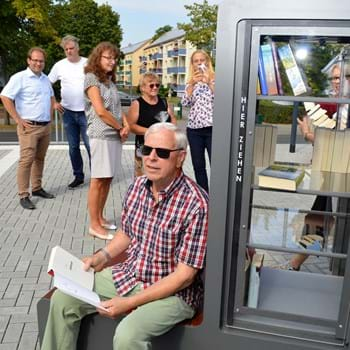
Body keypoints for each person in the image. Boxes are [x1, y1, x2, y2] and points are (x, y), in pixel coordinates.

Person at [41, 122, 209, 350]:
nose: (151, 158)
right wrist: (100, 257)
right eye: (146, 150)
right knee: (63, 299)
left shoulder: (197, 204)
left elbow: (184, 277)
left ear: (180, 158)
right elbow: (127, 233)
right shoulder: (138, 186)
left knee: (128, 335)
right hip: (132, 275)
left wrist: (129, 303)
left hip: (173, 293)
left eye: (161, 153)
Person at [0, 47, 55, 210]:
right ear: (28, 60)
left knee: (40, 158)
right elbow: (5, 96)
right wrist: (18, 119)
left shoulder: (45, 79)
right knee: (26, 161)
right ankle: (24, 195)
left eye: (41, 61)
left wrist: (50, 117)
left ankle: (37, 188)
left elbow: (51, 97)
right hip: (28, 127)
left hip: (45, 127)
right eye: (35, 60)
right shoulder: (20, 78)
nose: (38, 63)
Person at [84, 42, 129, 240]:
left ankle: (100, 218)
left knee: (107, 178)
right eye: (107, 57)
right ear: (98, 58)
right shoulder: (91, 78)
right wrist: (120, 127)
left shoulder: (110, 81)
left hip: (114, 136)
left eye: (114, 58)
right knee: (98, 180)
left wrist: (125, 125)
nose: (112, 61)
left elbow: (118, 109)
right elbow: (101, 111)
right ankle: (94, 225)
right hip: (101, 135)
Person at [48, 35, 91, 189]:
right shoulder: (59, 65)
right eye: (66, 49)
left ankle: (98, 178)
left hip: (87, 112)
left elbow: (99, 83)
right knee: (73, 147)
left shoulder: (88, 63)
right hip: (67, 112)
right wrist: (54, 102)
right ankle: (78, 176)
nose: (69, 51)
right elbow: (46, 84)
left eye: (71, 48)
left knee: (91, 146)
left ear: (77, 48)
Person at [127, 72, 176, 177]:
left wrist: (171, 130)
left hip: (164, 147)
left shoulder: (164, 101)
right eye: (151, 85)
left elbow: (172, 119)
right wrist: (152, 131)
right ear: (143, 88)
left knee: (163, 176)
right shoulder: (137, 103)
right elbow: (131, 126)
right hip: (145, 148)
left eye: (157, 85)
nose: (155, 88)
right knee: (143, 178)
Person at [181, 49, 215, 193]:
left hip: (213, 129)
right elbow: (184, 103)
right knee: (198, 165)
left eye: (202, 60)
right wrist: (191, 86)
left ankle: (218, 197)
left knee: (217, 164)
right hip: (194, 130)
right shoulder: (190, 82)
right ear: (192, 64)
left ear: (207, 62)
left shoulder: (215, 78)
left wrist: (209, 83)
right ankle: (205, 196)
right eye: (196, 61)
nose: (200, 63)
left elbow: (223, 100)